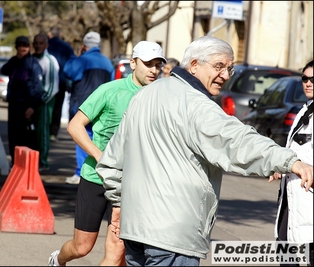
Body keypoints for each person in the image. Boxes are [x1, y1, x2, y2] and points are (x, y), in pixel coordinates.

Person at [95, 36, 314, 266]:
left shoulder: (145, 94)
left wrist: (119, 204)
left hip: (135, 230)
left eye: (230, 68)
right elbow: (237, 140)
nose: (226, 75)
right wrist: (290, 161)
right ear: (194, 65)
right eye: (218, 66)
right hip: (172, 237)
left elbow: (111, 162)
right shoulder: (196, 105)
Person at [47, 41, 166, 266]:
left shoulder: (159, 98)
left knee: (119, 250)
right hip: (96, 177)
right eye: (148, 64)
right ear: (133, 63)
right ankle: (58, 259)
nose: (153, 70)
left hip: (131, 184)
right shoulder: (110, 90)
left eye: (157, 65)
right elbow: (75, 126)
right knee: (81, 247)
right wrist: (101, 157)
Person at [269, 60, 313, 266]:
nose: (308, 83)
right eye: (305, 78)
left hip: (308, 201)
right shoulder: (304, 110)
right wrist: (282, 167)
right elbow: (296, 151)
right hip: (291, 196)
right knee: (285, 253)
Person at [62, 31, 114, 185]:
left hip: (82, 107)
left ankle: (80, 173)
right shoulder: (107, 63)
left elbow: (67, 72)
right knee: (98, 140)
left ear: (84, 46)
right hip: (103, 109)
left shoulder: (81, 60)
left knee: (82, 139)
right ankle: (98, 171)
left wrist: (76, 56)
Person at [1, 35, 47, 165]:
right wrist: (15, 60)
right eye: (20, 46)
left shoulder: (33, 64)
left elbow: (38, 88)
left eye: (25, 46)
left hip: (26, 107)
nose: (22, 49)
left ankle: (26, 164)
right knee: (13, 136)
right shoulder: (13, 62)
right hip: (14, 105)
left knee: (26, 138)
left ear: (29, 47)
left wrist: (32, 106)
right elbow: (4, 70)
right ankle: (14, 162)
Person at [32, 33, 60, 173]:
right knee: (31, 133)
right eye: (35, 43)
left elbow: (53, 86)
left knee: (42, 133)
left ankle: (43, 161)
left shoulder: (50, 61)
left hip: (44, 102)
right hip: (31, 102)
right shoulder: (31, 59)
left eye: (41, 43)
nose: (38, 46)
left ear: (46, 45)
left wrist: (41, 101)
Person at [47, 26, 75, 142]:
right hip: (61, 82)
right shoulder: (67, 47)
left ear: (50, 34)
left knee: (46, 107)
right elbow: (72, 65)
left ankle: (44, 130)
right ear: (61, 34)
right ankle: (53, 133)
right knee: (58, 107)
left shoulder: (45, 44)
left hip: (46, 82)